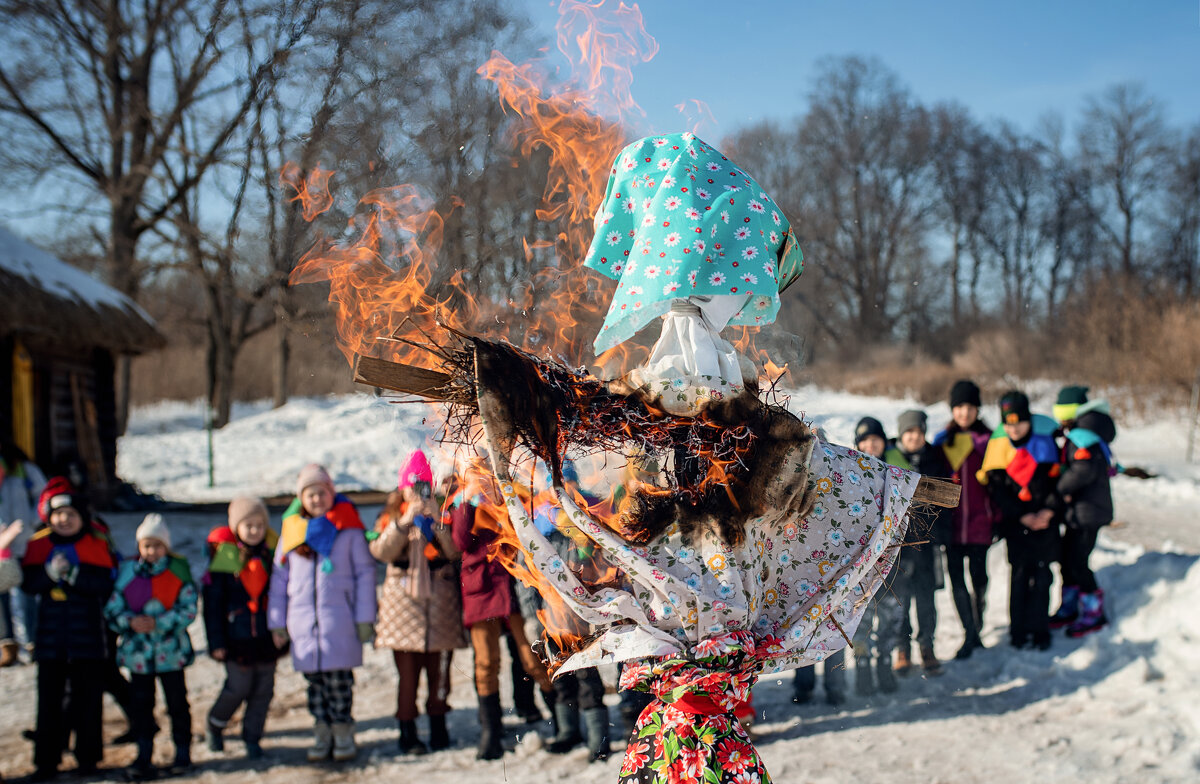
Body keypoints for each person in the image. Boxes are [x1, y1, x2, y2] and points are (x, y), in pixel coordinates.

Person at [268, 464, 377, 762]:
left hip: (339, 622)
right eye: (310, 493)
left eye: (322, 492)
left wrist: (365, 618)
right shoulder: (291, 533)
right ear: (300, 498)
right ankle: (322, 731)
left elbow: (365, 575)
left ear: (332, 494)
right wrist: (277, 622)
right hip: (303, 625)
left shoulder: (349, 530)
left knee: (340, 684)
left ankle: (343, 732)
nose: (317, 499)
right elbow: (279, 580)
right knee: (314, 687)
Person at [447, 457, 554, 761]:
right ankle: (490, 734)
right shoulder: (463, 501)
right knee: (485, 663)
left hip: (514, 587)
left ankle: (561, 720)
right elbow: (459, 540)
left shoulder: (510, 493)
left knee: (532, 656)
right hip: (481, 591)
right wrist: (467, 500)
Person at [21, 480, 117, 781]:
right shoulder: (39, 545)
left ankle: (88, 759)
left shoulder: (96, 545)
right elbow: (28, 583)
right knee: (48, 702)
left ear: (82, 518)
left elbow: (105, 584)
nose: (64, 520)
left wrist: (74, 575)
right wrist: (49, 575)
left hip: (88, 639)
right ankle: (46, 761)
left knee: (87, 701)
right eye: (58, 514)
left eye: (70, 515)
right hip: (51, 641)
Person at [370, 450, 464, 755]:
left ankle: (439, 728)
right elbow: (381, 552)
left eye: (424, 485)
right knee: (407, 678)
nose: (418, 492)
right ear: (402, 488)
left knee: (439, 676)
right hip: (403, 607)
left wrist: (438, 523)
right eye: (413, 486)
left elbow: (454, 553)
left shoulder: (442, 512)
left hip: (440, 605)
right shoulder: (390, 515)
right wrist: (404, 521)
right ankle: (407, 732)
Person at [104, 514, 197, 779]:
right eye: (147, 545)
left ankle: (182, 751)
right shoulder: (127, 575)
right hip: (139, 656)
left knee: (177, 703)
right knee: (142, 705)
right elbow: (112, 609)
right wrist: (130, 622)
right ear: (139, 547)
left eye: (157, 545)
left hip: (172, 654)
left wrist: (159, 622)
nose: (152, 551)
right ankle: (144, 752)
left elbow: (189, 610)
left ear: (166, 546)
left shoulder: (177, 573)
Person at [203, 496, 285, 760]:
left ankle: (252, 737)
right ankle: (215, 724)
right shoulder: (226, 557)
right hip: (235, 638)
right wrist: (216, 641)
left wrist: (282, 630)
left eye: (259, 525)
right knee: (237, 687)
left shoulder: (271, 556)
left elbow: (283, 594)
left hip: (265, 637)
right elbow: (213, 604)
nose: (254, 531)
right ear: (236, 527)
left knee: (263, 691)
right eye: (247, 525)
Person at [978, 391, 1061, 650]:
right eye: (1008, 423)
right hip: (1016, 524)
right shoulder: (998, 447)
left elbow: (1057, 484)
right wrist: (1023, 515)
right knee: (1019, 575)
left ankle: (1040, 630)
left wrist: (1047, 512)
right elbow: (997, 490)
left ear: (1029, 420)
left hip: (1045, 524)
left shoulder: (1045, 445)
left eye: (1019, 422)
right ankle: (1018, 631)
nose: (1014, 428)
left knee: (1043, 575)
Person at [932, 380, 998, 659]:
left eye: (970, 407)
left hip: (981, 523)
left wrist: (998, 517)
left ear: (977, 409)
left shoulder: (990, 441)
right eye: (959, 407)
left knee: (980, 578)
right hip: (952, 525)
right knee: (957, 581)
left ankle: (977, 627)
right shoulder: (941, 442)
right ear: (952, 409)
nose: (964, 413)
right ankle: (970, 633)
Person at [847, 416, 907, 696]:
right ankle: (862, 666)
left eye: (875, 439)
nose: (870, 445)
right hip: (861, 567)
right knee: (861, 619)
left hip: (894, 562)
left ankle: (885, 662)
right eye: (864, 440)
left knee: (891, 616)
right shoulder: (848, 476)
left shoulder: (898, 474)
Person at [1051, 386, 1116, 638]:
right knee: (1068, 560)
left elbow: (1084, 469)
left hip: (1088, 511)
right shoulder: (1083, 431)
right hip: (1080, 510)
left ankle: (1093, 612)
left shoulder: (1083, 433)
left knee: (1077, 562)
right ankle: (1070, 607)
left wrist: (1060, 487)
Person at [891, 410, 951, 677]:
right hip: (899, 548)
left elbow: (947, 498)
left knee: (926, 601)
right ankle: (902, 649)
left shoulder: (935, 457)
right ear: (902, 433)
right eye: (909, 432)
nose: (914, 436)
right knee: (901, 601)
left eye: (919, 431)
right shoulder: (890, 458)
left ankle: (927, 647)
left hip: (927, 544)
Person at [0, 441, 47, 664]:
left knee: (26, 592)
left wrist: (32, 522)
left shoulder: (24, 470)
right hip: (0, 542)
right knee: (1, 595)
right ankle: (7, 644)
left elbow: (42, 496)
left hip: (25, 539)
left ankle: (32, 642)